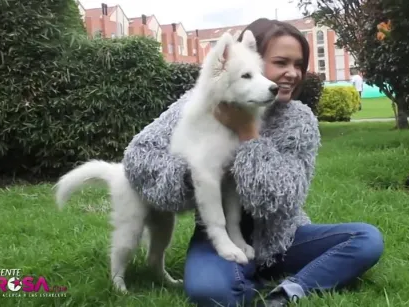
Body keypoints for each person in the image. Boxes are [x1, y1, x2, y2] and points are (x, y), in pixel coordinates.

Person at [122, 18, 384, 307]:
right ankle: (245, 278)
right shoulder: (199, 103)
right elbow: (139, 155)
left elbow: (280, 200)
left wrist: (248, 132)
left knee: (366, 239)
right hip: (218, 236)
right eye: (281, 62)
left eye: (298, 64)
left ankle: (286, 292)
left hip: (283, 237)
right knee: (210, 292)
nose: (291, 74)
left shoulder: (299, 120)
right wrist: (194, 175)